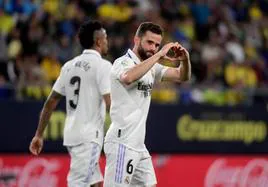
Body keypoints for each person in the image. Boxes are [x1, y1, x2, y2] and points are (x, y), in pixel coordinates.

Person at [103, 22, 191, 186]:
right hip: (122, 143)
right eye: (149, 42)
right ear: (136, 40)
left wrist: (185, 60)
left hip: (138, 144)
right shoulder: (122, 62)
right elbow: (127, 77)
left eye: (157, 45)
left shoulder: (151, 66)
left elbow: (181, 76)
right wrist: (158, 55)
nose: (153, 48)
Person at [29, 20, 112, 187]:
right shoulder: (103, 66)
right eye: (105, 38)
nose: (107, 41)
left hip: (72, 135)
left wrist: (39, 134)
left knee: (95, 182)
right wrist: (123, 129)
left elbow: (51, 101)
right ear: (98, 41)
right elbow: (110, 102)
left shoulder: (68, 66)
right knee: (78, 183)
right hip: (89, 137)